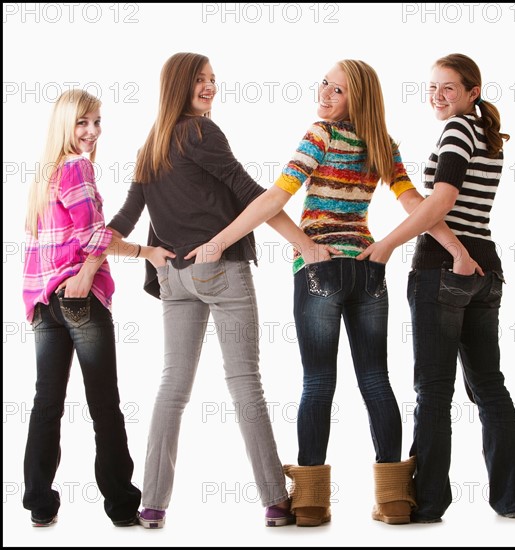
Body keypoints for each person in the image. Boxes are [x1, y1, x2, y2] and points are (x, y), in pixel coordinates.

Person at [185, 59, 480, 526]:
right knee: (376, 381)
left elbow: (274, 198)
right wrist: (457, 249)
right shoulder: (382, 146)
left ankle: (309, 503)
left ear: (354, 99)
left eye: (337, 90)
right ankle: (396, 500)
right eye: (324, 82)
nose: (324, 93)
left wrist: (221, 241)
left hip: (318, 266)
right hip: (367, 267)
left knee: (318, 382)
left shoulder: (321, 134)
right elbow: (414, 205)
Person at [107, 52, 312, 529]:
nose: (210, 87)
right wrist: (301, 240)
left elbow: (123, 220)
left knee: (172, 388)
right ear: (179, 84)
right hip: (220, 269)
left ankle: (153, 505)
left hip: (173, 275)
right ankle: (275, 501)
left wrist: (102, 248)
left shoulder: (150, 146)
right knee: (245, 383)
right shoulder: (199, 132)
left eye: (213, 80)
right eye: (200, 80)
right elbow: (251, 191)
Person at [357, 53, 515, 522]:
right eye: (432, 87)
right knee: (488, 385)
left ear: (472, 93)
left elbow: (441, 201)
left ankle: (429, 502)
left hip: (443, 269)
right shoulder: (487, 135)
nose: (437, 96)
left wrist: (389, 243)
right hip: (485, 269)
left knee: (433, 389)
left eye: (448, 88)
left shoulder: (458, 130)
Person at [22, 89, 173, 527]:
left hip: (43, 301)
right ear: (65, 126)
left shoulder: (44, 174)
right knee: (104, 403)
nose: (91, 132)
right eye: (82, 123)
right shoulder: (76, 169)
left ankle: (38, 503)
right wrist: (147, 251)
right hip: (80, 299)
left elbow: (42, 246)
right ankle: (122, 504)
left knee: (45, 402)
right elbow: (93, 238)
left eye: (97, 122)